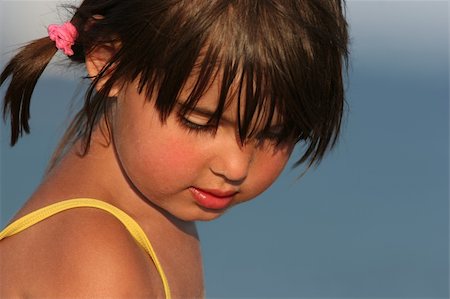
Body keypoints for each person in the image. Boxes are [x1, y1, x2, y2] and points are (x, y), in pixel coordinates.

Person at [0, 0, 349, 297]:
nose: (236, 166)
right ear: (109, 61)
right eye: (200, 121)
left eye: (274, 134)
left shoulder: (154, 209)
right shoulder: (93, 259)